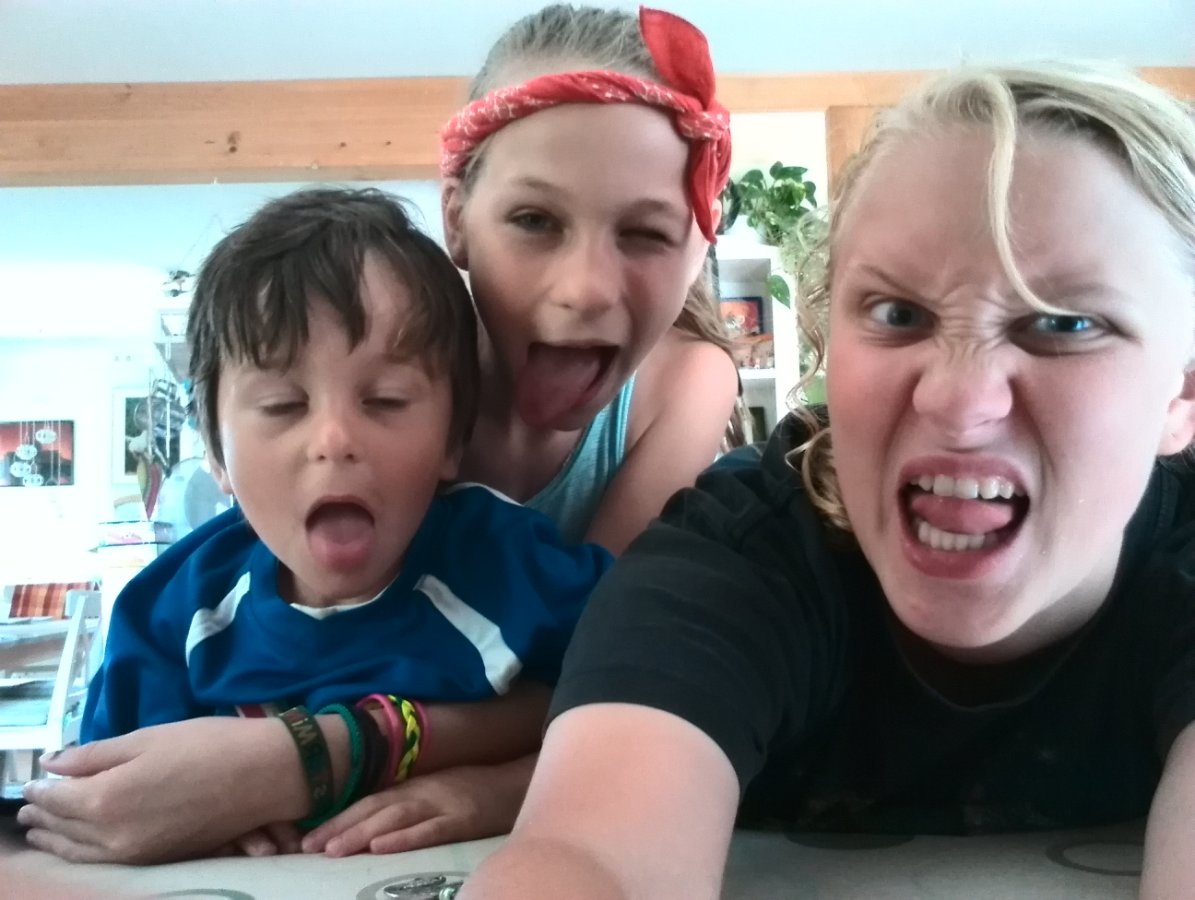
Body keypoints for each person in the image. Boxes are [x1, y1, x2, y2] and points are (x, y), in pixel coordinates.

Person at [457, 61, 1195, 899]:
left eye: (1063, 324)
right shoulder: (737, 562)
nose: (957, 402)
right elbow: (591, 862)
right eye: (897, 314)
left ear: (1183, 393)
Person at [19, 186, 611, 862]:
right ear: (216, 453)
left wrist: (501, 792)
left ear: (453, 440)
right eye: (281, 405)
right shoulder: (168, 613)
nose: (333, 440)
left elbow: (648, 705)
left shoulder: (508, 564)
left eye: (385, 400)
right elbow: (96, 802)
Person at [441, 3, 741, 554]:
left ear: (700, 246)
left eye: (646, 233)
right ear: (456, 219)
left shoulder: (685, 385)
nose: (586, 291)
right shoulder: (386, 366)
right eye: (535, 221)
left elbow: (603, 604)